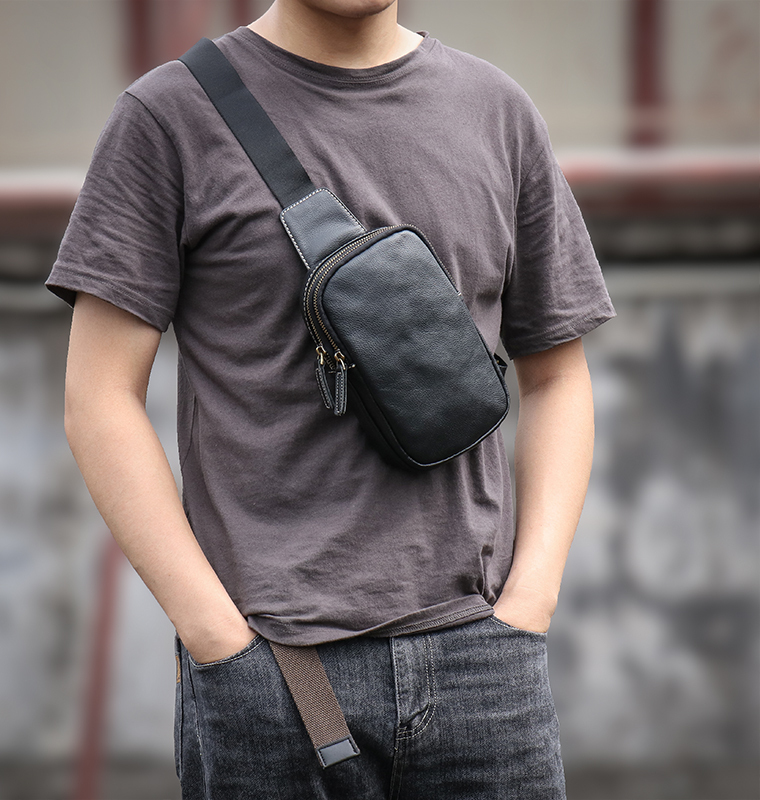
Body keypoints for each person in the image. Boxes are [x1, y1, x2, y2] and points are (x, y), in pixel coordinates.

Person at [48, 0, 615, 797]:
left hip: (484, 662)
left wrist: (529, 602)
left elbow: (555, 374)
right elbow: (99, 395)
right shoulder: (167, 117)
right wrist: (215, 636)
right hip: (273, 668)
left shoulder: (497, 110)